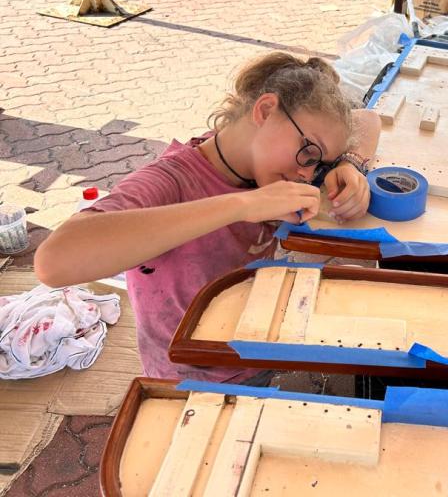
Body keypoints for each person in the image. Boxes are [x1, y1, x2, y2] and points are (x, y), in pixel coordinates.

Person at [34, 52, 380, 382]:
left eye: (318, 163)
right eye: (309, 152)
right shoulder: (172, 180)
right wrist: (242, 205)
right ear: (265, 109)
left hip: (249, 350)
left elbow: (369, 120)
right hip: (188, 374)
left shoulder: (265, 163)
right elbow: (54, 262)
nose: (308, 174)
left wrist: (350, 162)